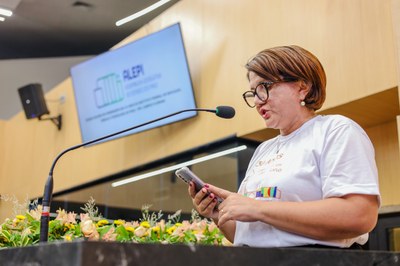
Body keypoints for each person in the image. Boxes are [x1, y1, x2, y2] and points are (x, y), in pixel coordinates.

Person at [188, 45, 380, 248]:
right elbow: (245, 235)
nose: (257, 101)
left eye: (264, 87)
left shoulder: (335, 130)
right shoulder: (264, 149)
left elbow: (359, 215)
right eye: (253, 93)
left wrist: (257, 208)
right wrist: (219, 214)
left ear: (302, 87)